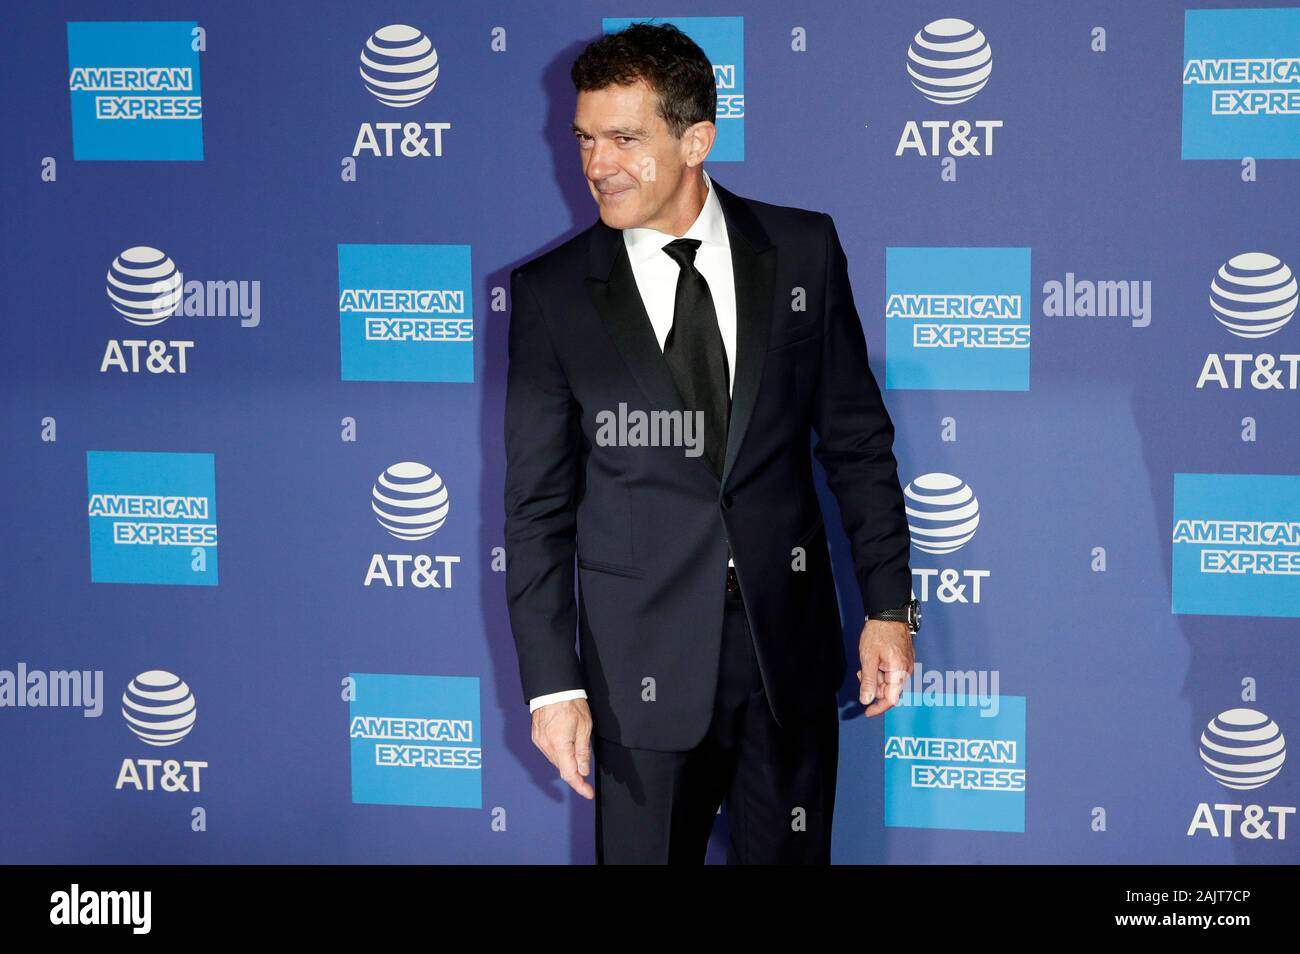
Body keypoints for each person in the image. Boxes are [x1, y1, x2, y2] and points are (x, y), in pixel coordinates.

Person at [503, 22, 919, 864]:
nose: (597, 164)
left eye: (625, 138)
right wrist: (554, 686)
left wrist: (887, 607)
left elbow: (857, 445)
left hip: (786, 655)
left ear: (696, 140)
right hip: (637, 674)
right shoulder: (552, 294)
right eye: (585, 138)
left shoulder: (802, 251)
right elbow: (537, 511)